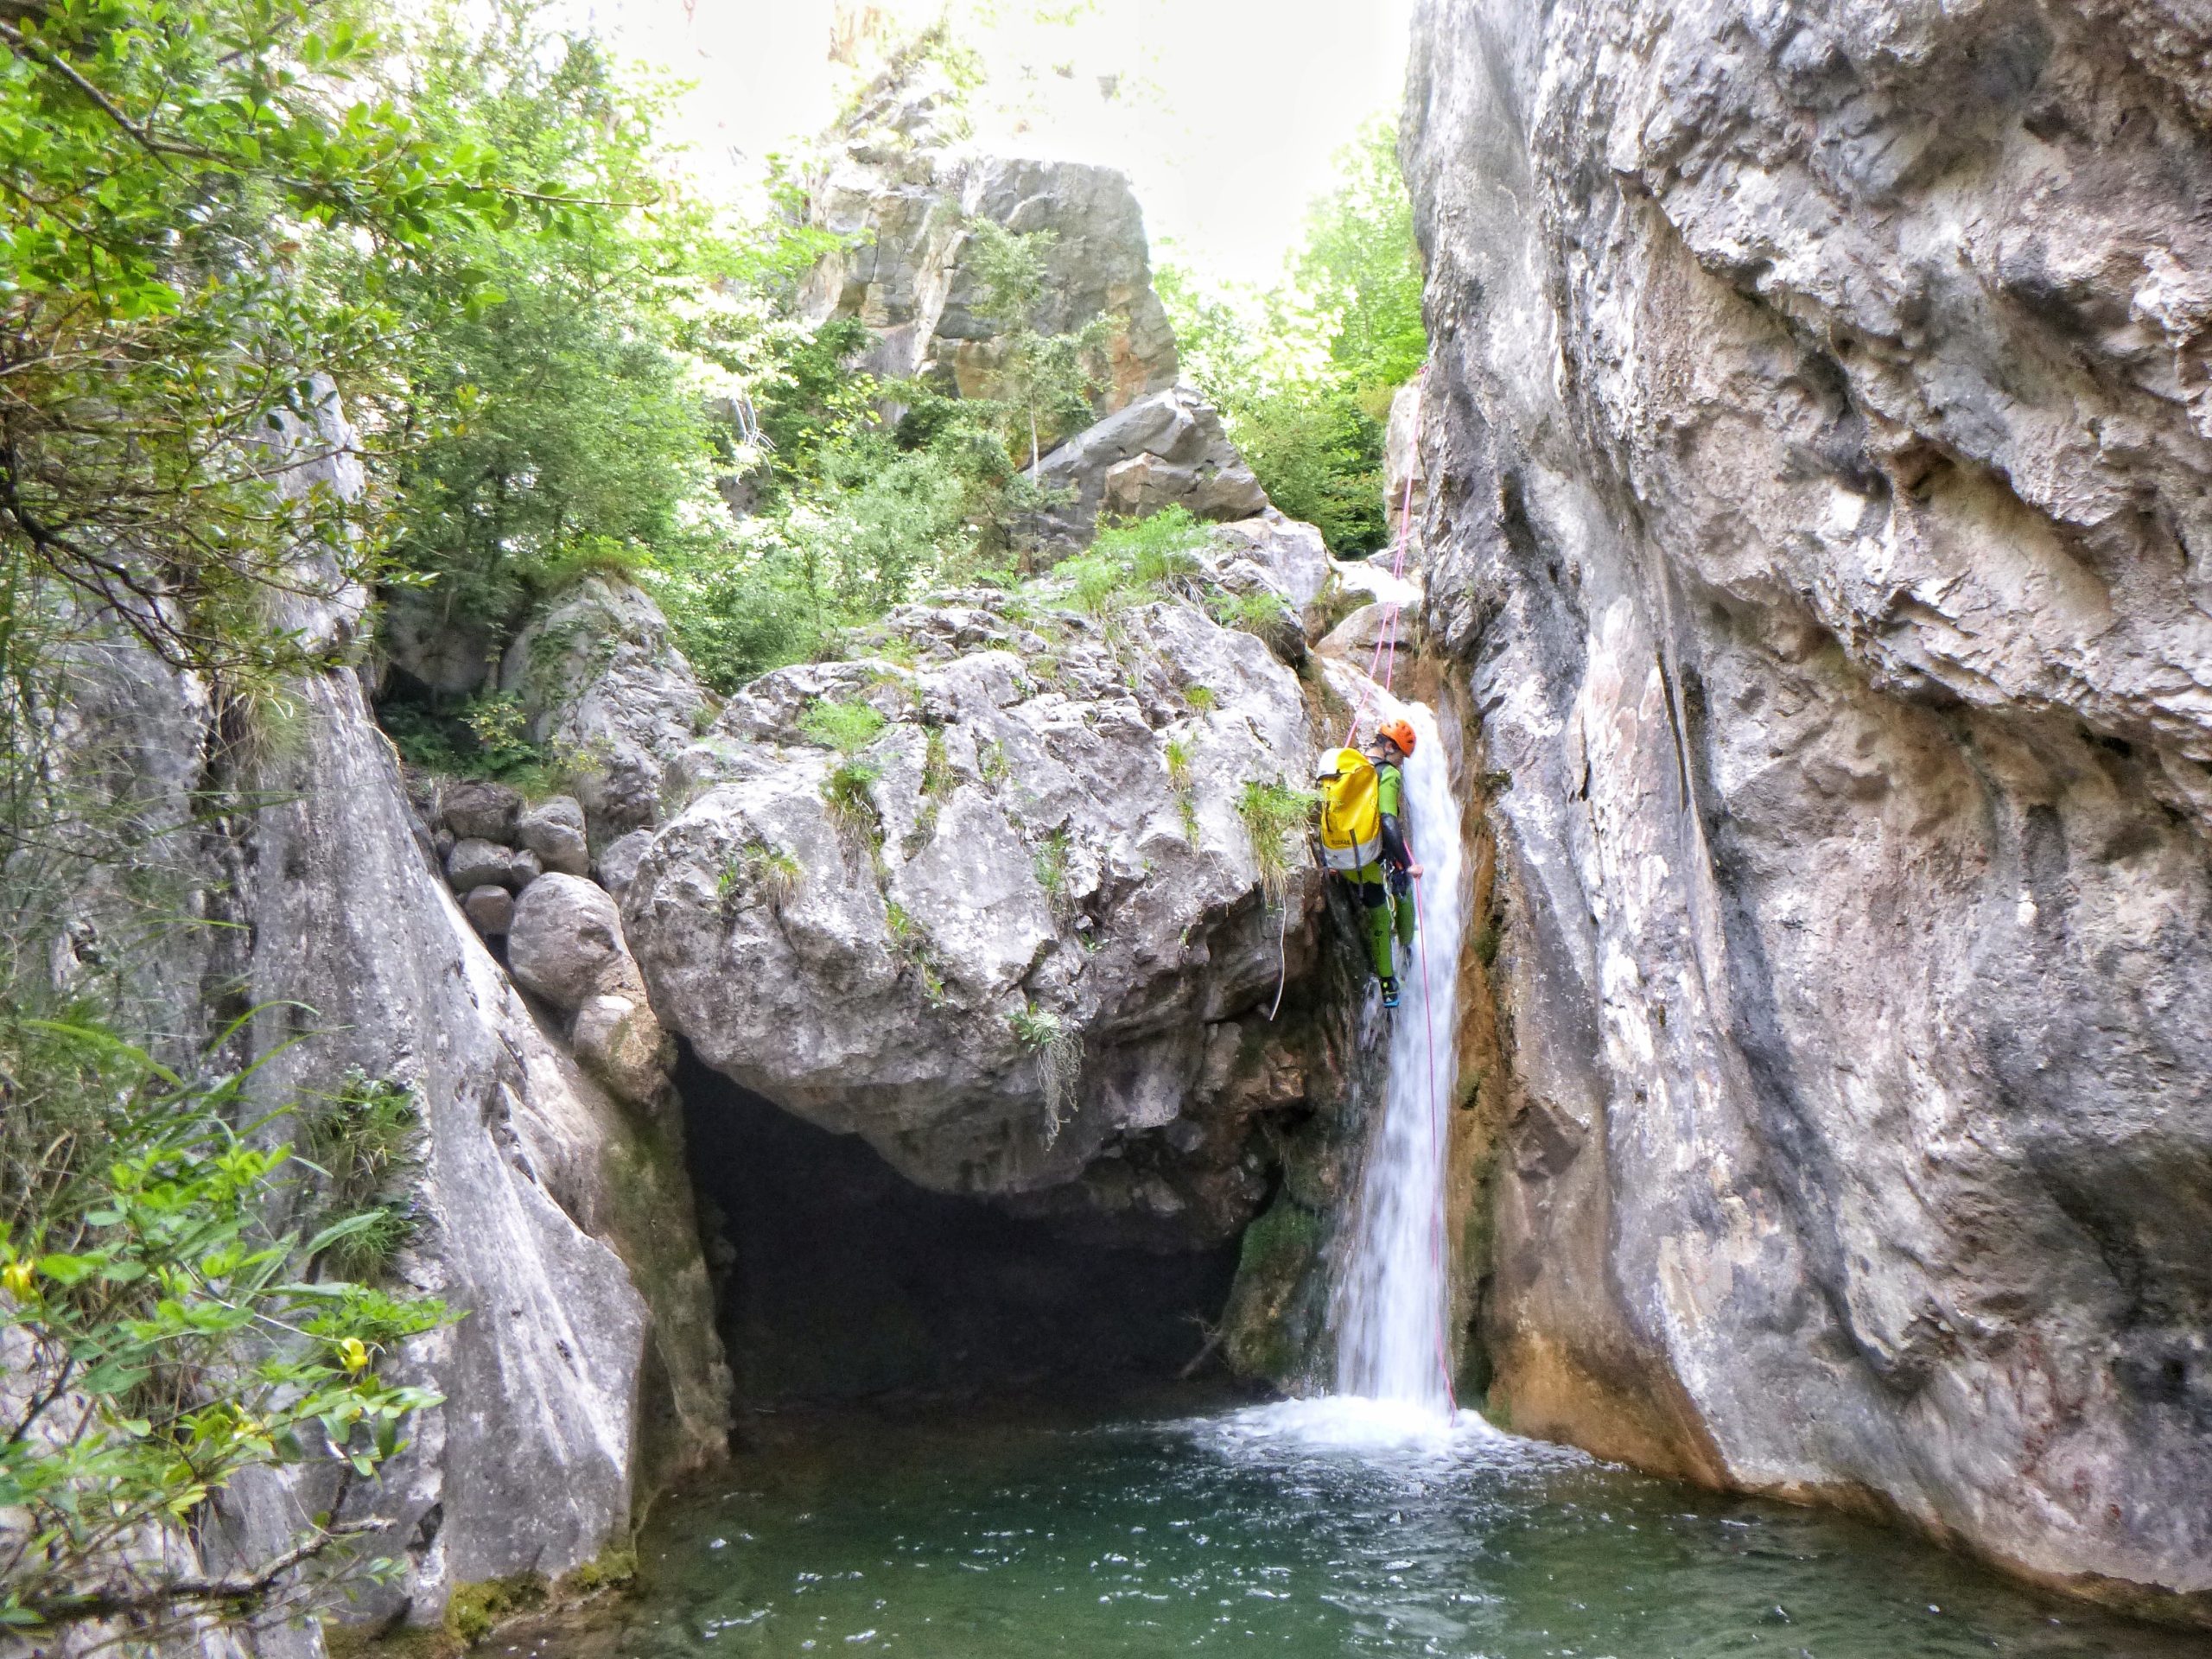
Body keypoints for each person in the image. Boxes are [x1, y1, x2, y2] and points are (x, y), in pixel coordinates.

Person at [1316, 720, 1424, 1007]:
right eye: (1401, 756)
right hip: (1370, 858)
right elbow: (1388, 820)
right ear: (1389, 748)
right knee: (1399, 896)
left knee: (1376, 904)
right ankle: (1404, 955)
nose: (1401, 764)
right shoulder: (1387, 775)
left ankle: (1388, 984)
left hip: (1343, 858)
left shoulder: (1350, 769)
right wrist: (1405, 863)